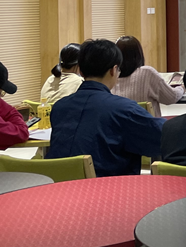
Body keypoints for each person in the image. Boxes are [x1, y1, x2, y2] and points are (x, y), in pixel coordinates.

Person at [47, 39, 164, 177]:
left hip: (58, 187)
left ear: (81, 71)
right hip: (109, 187)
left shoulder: (59, 107)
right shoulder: (124, 109)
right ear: (113, 70)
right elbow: (163, 138)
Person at [112, 35, 184, 116]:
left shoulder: (110, 77)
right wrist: (181, 88)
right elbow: (171, 97)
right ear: (139, 54)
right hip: (147, 123)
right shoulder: (147, 73)